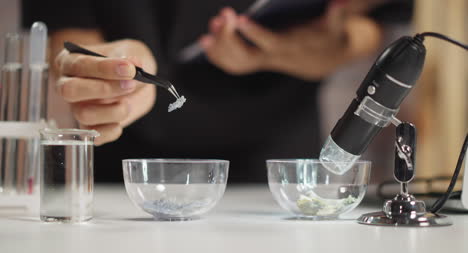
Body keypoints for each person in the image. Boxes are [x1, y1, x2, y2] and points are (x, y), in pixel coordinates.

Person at [22, 0, 399, 183]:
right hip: (125, 170)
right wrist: (103, 78)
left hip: (274, 165)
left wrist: (288, 49)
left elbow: (371, 25)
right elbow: (68, 36)